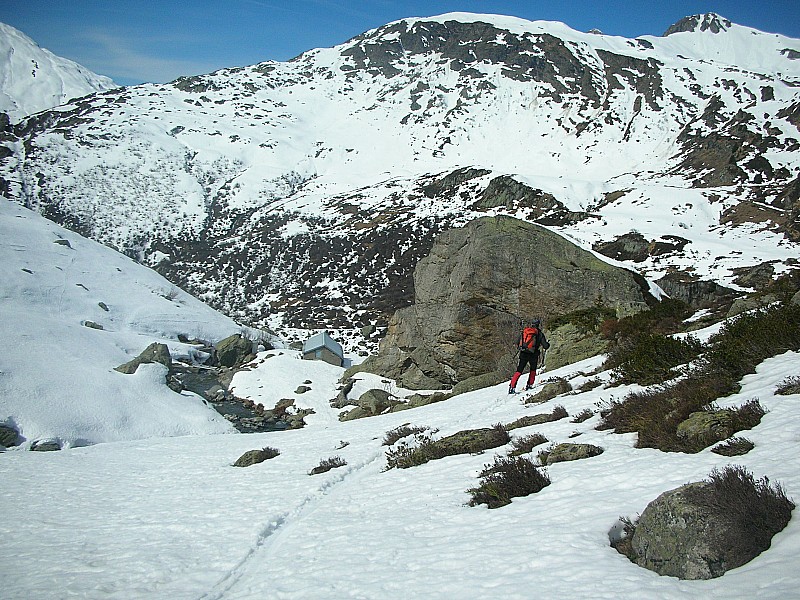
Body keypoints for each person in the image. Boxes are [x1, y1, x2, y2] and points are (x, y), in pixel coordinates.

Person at [509, 319, 550, 394]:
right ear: (538, 324)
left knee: (519, 370)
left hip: (523, 353)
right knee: (533, 370)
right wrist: (548, 344)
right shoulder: (539, 334)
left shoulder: (525, 332)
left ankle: (512, 386)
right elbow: (545, 346)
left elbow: (518, 343)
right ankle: (530, 384)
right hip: (533, 354)